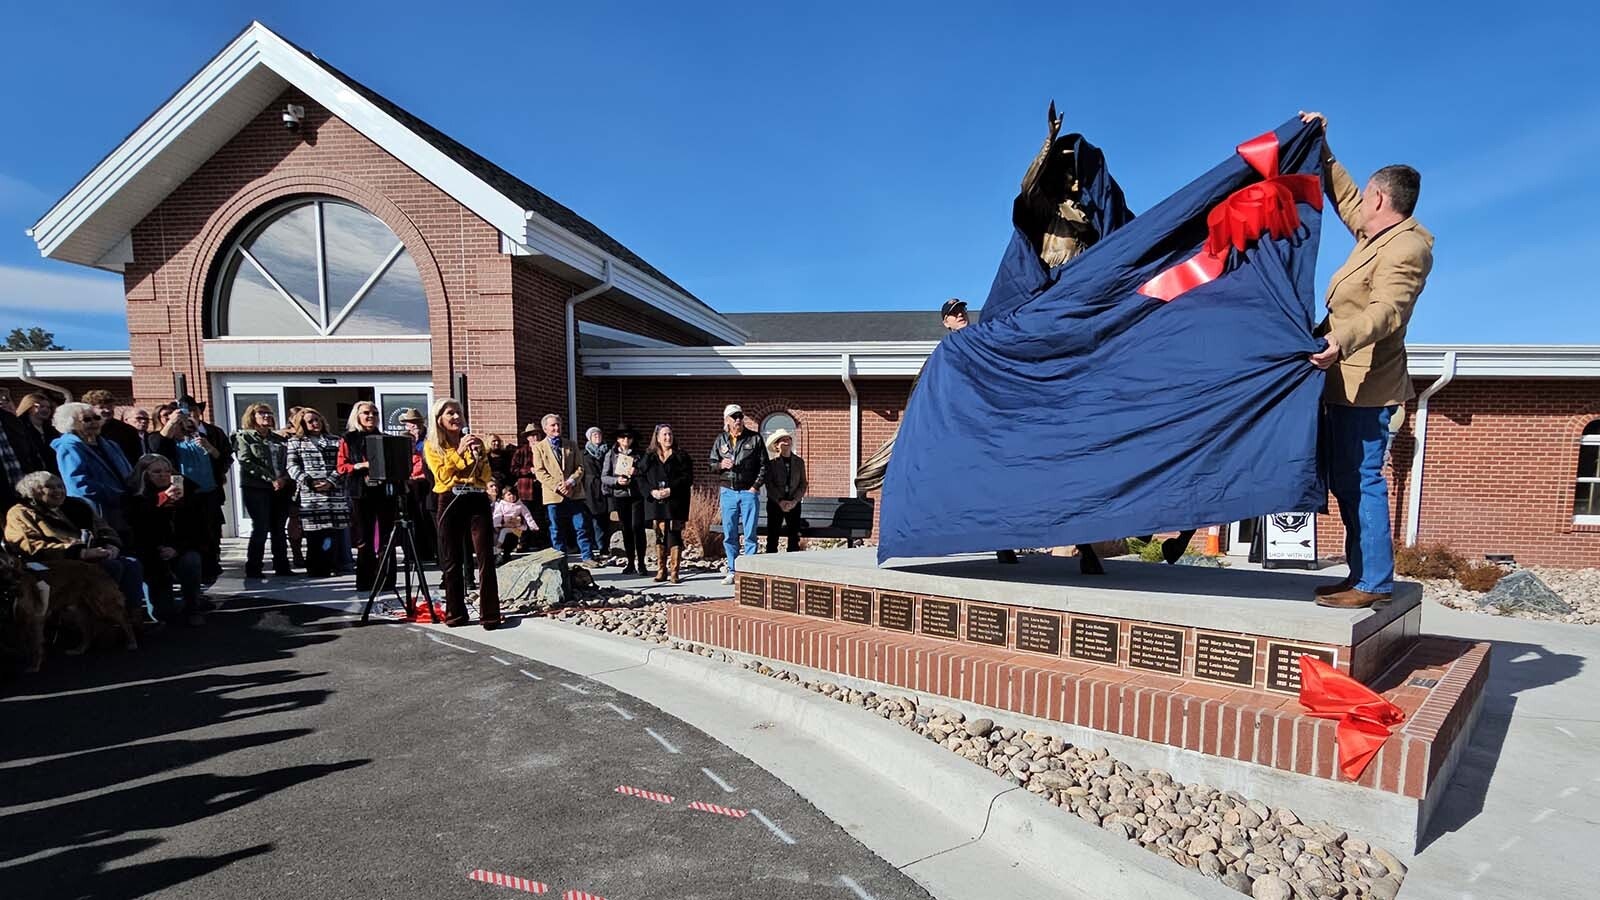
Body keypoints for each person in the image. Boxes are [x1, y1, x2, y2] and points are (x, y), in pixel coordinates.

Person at [1300, 111, 1434, 610]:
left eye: (1367, 196)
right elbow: (1345, 196)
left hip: (1367, 385)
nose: (1359, 204)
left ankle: (1374, 582)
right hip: (1344, 382)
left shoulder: (1407, 248)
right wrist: (1322, 147)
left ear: (1380, 198)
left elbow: (1388, 311)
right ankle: (1362, 575)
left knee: (1362, 480)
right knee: (1346, 480)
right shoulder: (1376, 235)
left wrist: (1340, 339)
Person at [6, 470, 147, 621]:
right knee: (111, 567)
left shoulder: (77, 505)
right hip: (55, 562)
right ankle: (107, 619)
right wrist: (80, 553)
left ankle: (134, 618)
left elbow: (103, 528)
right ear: (33, 491)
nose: (58, 491)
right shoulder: (21, 513)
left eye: (60, 486)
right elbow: (29, 546)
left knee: (131, 564)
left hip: (94, 553)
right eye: (50, 487)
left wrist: (111, 545)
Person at [423, 398, 501, 628]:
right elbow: (442, 475)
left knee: (485, 557)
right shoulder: (432, 446)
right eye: (450, 413)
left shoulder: (475, 442)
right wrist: (458, 452)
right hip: (450, 499)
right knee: (452, 559)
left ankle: (490, 614)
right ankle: (456, 614)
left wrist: (478, 455)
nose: (456, 417)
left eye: (459, 412)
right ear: (439, 419)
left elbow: (485, 476)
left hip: (476, 497)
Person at [124, 454, 208, 625]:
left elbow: (198, 530)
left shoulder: (185, 492)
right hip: (150, 554)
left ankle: (193, 606)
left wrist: (176, 548)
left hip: (178, 548)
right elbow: (137, 527)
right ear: (145, 474)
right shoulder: (133, 497)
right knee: (163, 614)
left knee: (191, 560)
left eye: (167, 471)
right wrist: (160, 500)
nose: (163, 475)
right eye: (157, 472)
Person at [53, 401, 135, 540]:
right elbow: (78, 484)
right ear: (70, 423)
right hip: (99, 512)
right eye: (86, 419)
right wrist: (116, 495)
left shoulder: (110, 444)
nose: (94, 422)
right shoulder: (69, 447)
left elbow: (129, 472)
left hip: (125, 509)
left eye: (96, 418)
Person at [285, 408, 350, 578]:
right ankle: (316, 568)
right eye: (310, 421)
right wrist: (309, 481)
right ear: (302, 424)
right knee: (314, 534)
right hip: (311, 494)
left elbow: (342, 464)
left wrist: (331, 481)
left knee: (331, 533)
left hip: (333, 493)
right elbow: (292, 466)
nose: (315, 423)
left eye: (317, 419)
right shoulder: (295, 442)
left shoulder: (335, 441)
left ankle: (333, 564)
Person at [337, 400, 394, 592]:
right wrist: (360, 466)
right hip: (360, 491)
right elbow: (341, 467)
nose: (371, 416)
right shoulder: (348, 439)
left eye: (374, 413)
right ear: (358, 416)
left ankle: (387, 581)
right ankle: (365, 581)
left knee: (386, 537)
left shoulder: (385, 438)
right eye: (366, 413)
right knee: (364, 538)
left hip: (384, 492)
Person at [233, 403, 293, 578]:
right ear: (252, 417)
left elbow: (288, 461)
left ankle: (282, 566)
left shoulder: (279, 439)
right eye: (262, 413)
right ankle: (254, 568)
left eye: (269, 413)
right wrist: (270, 479)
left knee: (279, 528)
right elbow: (246, 461)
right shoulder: (245, 437)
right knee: (261, 527)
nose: (267, 416)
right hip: (257, 488)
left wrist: (283, 479)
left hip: (281, 488)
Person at [709, 404, 766, 584]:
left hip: (748, 491)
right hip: (728, 491)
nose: (738, 420)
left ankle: (749, 573)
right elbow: (711, 464)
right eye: (734, 417)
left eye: (740, 416)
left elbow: (764, 466)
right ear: (726, 420)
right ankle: (733, 571)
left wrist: (755, 487)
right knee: (730, 534)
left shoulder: (755, 439)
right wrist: (720, 465)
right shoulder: (721, 440)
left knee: (750, 534)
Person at [530, 414, 596, 566]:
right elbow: (540, 471)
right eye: (553, 425)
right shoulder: (539, 448)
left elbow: (580, 467)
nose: (556, 428)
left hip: (574, 492)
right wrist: (557, 486)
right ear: (545, 428)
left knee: (581, 526)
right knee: (556, 528)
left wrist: (571, 482)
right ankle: (560, 559)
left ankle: (587, 557)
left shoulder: (571, 444)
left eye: (558, 424)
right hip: (553, 494)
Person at [170, 411, 223, 580]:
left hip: (209, 490)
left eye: (191, 425)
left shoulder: (200, 439)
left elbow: (219, 457)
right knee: (194, 532)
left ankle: (211, 566)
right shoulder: (172, 444)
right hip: (188, 493)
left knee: (211, 531)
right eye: (183, 425)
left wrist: (209, 447)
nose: (188, 427)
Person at [640, 423, 693, 584]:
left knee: (674, 535)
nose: (668, 437)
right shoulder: (649, 456)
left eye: (670, 434)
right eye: (664, 434)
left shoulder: (681, 455)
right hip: (656, 502)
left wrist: (671, 490)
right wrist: (651, 492)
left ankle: (674, 571)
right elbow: (640, 477)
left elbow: (687, 478)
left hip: (676, 502)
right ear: (657, 438)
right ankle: (661, 569)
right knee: (660, 535)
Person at [601, 425, 647, 574]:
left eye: (629, 437)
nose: (626, 440)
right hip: (620, 495)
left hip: (636, 495)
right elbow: (604, 477)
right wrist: (616, 481)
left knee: (637, 527)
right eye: (622, 437)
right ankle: (630, 563)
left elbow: (647, 473)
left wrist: (637, 471)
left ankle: (641, 563)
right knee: (626, 529)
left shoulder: (640, 454)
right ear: (617, 439)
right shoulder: (611, 454)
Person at [398, 408, 438, 563]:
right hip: (409, 487)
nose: (413, 425)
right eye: (410, 422)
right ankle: (413, 553)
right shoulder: (404, 439)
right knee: (410, 519)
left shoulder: (429, 438)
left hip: (425, 485)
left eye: (416, 422)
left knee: (426, 518)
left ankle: (430, 551)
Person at [762, 428, 807, 554]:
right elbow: (769, 484)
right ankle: (771, 560)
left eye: (788, 439)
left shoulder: (799, 462)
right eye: (783, 440)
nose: (786, 442)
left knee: (794, 536)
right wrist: (780, 501)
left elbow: (803, 484)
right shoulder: (772, 464)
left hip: (794, 503)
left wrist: (794, 501)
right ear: (776, 445)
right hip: (775, 504)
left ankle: (792, 561)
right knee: (773, 535)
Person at [83, 390, 143, 466]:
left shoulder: (127, 430)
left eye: (110, 407)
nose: (107, 410)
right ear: (90, 409)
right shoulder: (84, 430)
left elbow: (136, 458)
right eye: (101, 407)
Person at [492, 485, 541, 565]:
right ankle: (498, 549)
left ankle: (502, 548)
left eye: (513, 494)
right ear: (503, 496)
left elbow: (527, 515)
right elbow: (497, 515)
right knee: (502, 533)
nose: (512, 496)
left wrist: (533, 526)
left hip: (517, 527)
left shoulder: (520, 505)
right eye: (509, 494)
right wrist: (497, 524)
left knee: (512, 536)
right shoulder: (501, 505)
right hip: (505, 525)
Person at [582, 426, 611, 558]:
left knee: (605, 518)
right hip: (590, 488)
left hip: (605, 487)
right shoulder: (584, 454)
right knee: (594, 518)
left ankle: (605, 546)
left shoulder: (608, 452)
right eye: (594, 435)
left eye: (599, 434)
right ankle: (597, 546)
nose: (597, 437)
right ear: (589, 438)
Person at [13, 392, 60, 476]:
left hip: (54, 475)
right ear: (29, 407)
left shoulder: (51, 430)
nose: (46, 410)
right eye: (41, 406)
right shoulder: (20, 429)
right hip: (32, 475)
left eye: (48, 407)